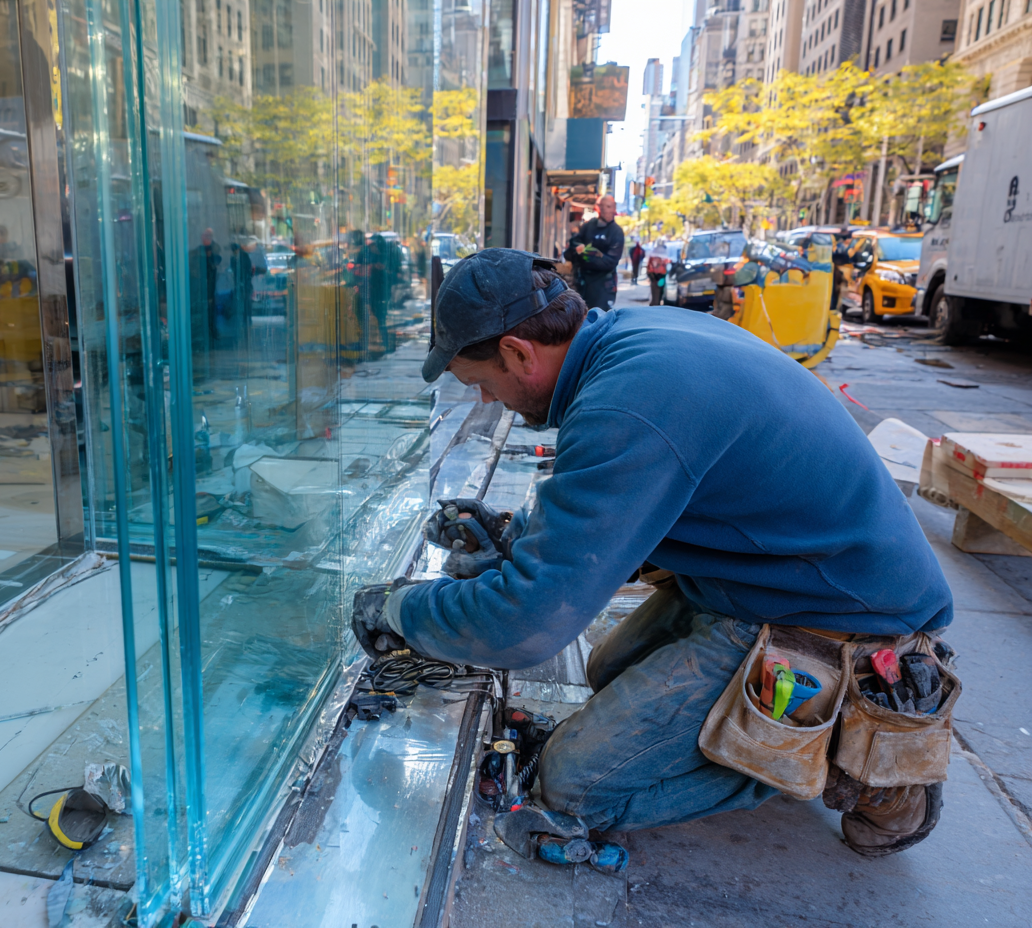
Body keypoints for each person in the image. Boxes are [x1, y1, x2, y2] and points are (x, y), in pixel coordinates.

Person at [353, 248, 954, 861]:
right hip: (768, 576)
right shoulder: (630, 345)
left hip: (839, 614)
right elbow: (621, 492)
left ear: (516, 352)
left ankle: (861, 755)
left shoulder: (629, 402)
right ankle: (787, 729)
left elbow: (527, 624)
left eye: (480, 383)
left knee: (573, 784)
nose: (485, 401)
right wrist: (518, 533)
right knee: (607, 672)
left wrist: (400, 609)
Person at [563, 196, 625, 309]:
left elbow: (610, 262)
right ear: (599, 208)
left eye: (611, 207)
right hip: (582, 284)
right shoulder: (589, 226)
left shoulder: (616, 232)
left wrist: (584, 254)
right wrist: (577, 248)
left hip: (603, 288)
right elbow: (574, 243)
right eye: (607, 206)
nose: (610, 210)